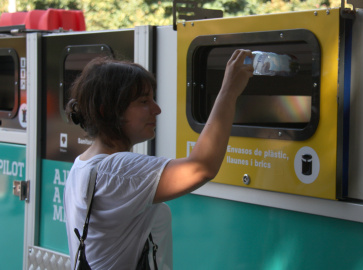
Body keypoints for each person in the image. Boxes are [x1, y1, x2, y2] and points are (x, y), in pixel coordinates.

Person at [64, 49, 253, 269]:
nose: (157, 109)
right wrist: (229, 90)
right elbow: (202, 167)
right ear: (107, 111)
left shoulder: (83, 165)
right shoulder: (117, 170)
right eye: (144, 101)